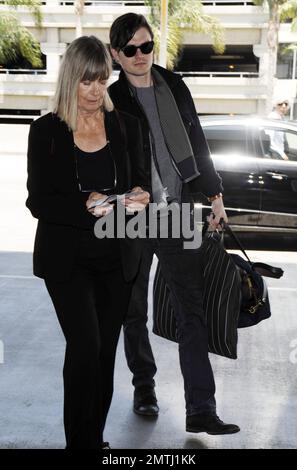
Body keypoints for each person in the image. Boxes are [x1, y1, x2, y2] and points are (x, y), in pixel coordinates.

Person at [104, 12, 240, 435]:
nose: (140, 55)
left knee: (191, 308)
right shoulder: (112, 98)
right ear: (116, 54)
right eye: (130, 50)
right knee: (133, 306)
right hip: (133, 214)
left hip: (177, 211)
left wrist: (215, 193)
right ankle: (144, 386)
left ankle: (201, 408)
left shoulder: (173, 85)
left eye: (146, 46)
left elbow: (197, 140)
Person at [26, 35, 149, 449]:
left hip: (118, 258)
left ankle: (93, 439)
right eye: (87, 81)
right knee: (85, 346)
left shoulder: (126, 125)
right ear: (70, 81)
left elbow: (141, 180)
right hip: (68, 261)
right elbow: (38, 199)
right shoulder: (46, 130)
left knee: (103, 353)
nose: (97, 90)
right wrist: (85, 203)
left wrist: (139, 194)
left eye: (102, 80)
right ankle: (80, 443)